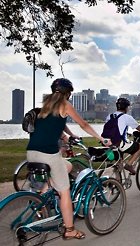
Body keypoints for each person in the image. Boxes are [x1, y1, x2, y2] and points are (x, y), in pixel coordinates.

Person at [26, 78, 112, 240]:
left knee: (67, 167)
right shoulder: (65, 105)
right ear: (68, 94)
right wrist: (101, 138)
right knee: (65, 192)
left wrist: (67, 137)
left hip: (31, 152)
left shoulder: (46, 106)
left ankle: (42, 194)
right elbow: (84, 124)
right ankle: (70, 229)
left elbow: (53, 127)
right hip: (48, 153)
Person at [107, 97, 140, 175]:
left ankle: (117, 183)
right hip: (120, 143)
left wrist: (127, 134)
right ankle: (129, 165)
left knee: (119, 162)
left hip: (109, 143)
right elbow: (139, 128)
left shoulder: (109, 116)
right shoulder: (126, 117)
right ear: (126, 108)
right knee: (139, 147)